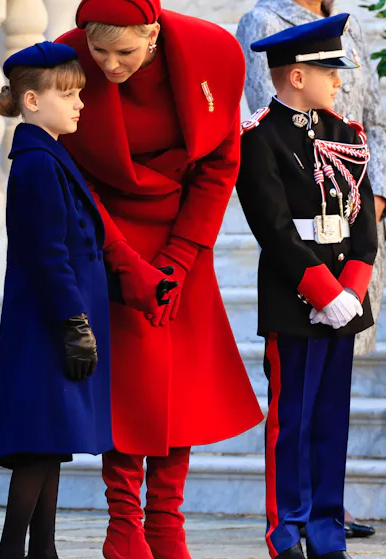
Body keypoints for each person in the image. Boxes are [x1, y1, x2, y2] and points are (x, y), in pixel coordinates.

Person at [55, 2, 264, 558]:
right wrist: (123, 262)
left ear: (152, 33)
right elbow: (69, 173)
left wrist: (181, 255)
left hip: (182, 236)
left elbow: (222, 162)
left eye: (124, 52)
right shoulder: (67, 57)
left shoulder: (213, 51)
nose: (109, 65)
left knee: (181, 388)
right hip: (108, 236)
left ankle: (167, 524)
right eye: (98, 51)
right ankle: (123, 526)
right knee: (127, 386)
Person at [0, 41, 176, 559]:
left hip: (56, 323)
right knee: (37, 446)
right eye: (67, 94)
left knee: (49, 445)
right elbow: (49, 254)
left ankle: (43, 551)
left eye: (79, 93)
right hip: (49, 326)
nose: (80, 104)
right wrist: (74, 324)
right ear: (30, 101)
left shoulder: (48, 156)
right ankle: (12, 552)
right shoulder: (36, 164)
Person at [237, 0, 386, 538]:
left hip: (342, 303)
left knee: (331, 424)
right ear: (297, 76)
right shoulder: (259, 140)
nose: (340, 84)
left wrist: (351, 292)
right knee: (292, 423)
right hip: (296, 298)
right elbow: (275, 231)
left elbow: (363, 228)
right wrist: (325, 293)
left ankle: (326, 529)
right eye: (331, 73)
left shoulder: (347, 135)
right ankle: (289, 528)